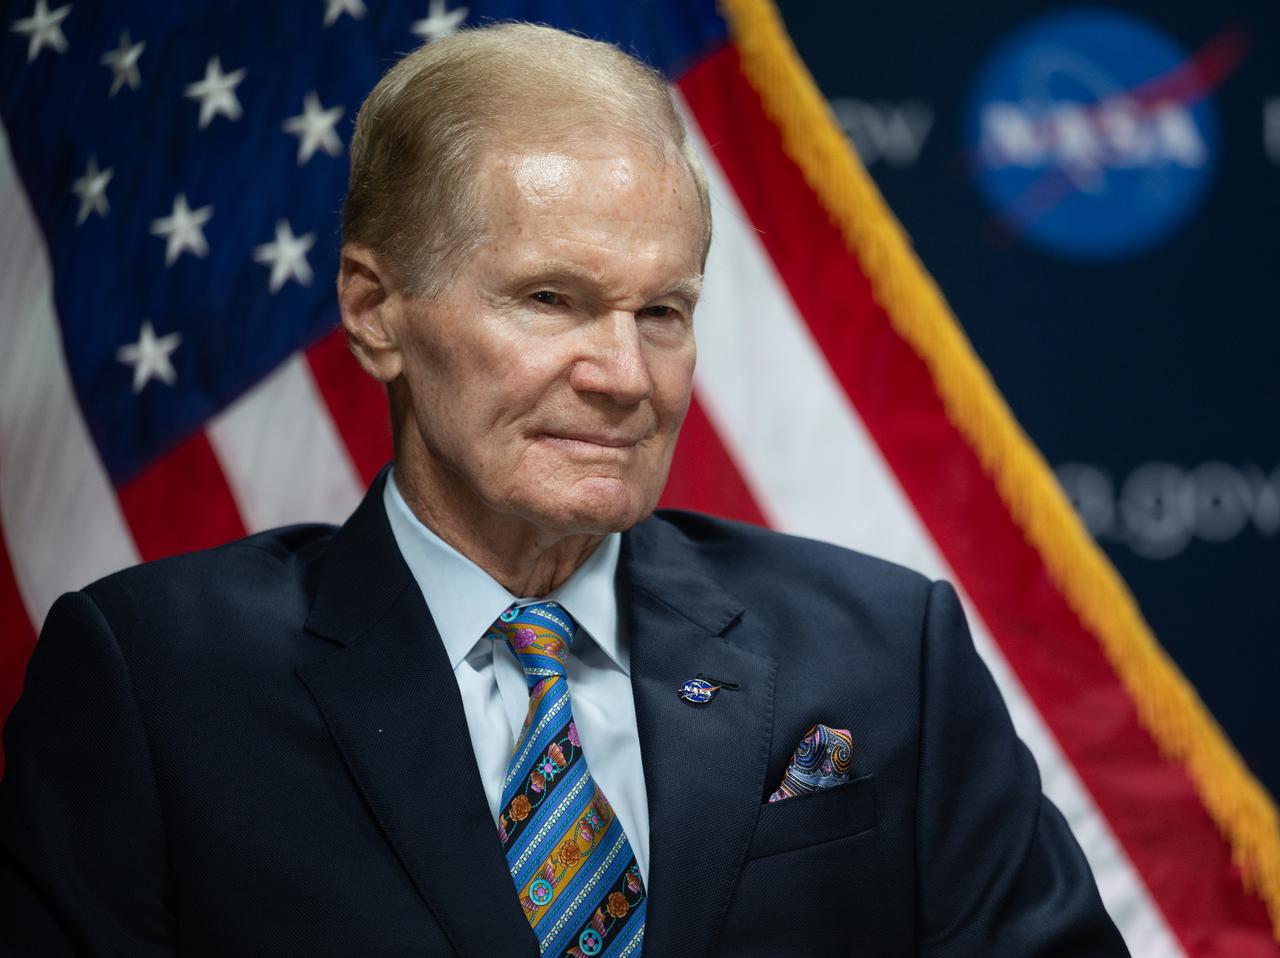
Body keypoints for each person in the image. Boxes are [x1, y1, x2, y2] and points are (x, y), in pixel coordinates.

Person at [0, 22, 1128, 958]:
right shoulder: (154, 681)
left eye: (660, 313)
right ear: (372, 308)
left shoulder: (884, 649)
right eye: (547, 298)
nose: (623, 377)